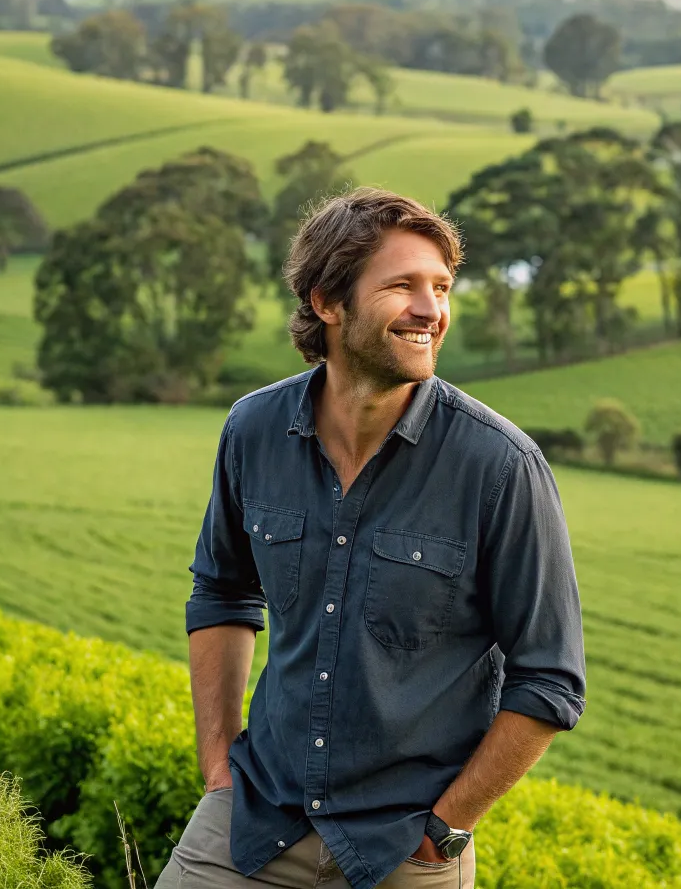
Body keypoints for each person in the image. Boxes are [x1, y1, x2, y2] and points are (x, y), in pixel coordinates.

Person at [155, 187, 586, 889]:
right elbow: (222, 592)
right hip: (255, 819)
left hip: (404, 849)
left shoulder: (501, 467)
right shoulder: (253, 431)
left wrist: (443, 832)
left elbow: (550, 680)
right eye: (403, 286)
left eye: (442, 287)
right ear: (328, 301)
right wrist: (217, 766)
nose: (432, 310)